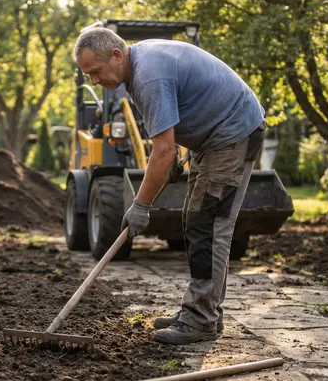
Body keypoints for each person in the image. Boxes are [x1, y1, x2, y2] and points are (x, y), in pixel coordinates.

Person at [74, 28, 266, 345]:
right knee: (196, 220)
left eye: (95, 71)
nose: (94, 81)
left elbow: (162, 151)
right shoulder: (140, 66)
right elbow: (178, 125)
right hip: (214, 138)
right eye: (88, 75)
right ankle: (202, 312)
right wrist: (178, 154)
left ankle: (201, 319)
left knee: (208, 225)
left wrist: (141, 206)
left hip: (233, 134)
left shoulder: (148, 76)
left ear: (116, 55)